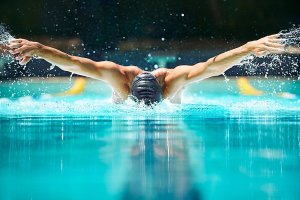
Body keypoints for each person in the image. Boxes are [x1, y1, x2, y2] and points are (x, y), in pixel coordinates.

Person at [7, 34, 288, 105]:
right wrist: (39, 48)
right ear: (128, 90)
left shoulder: (174, 80)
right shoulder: (117, 76)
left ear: (162, 92)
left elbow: (212, 66)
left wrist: (249, 48)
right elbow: (74, 62)